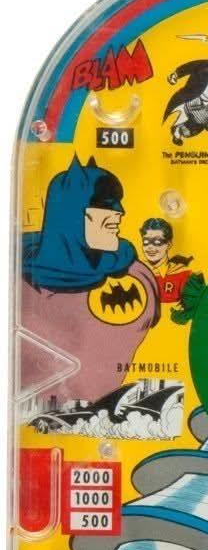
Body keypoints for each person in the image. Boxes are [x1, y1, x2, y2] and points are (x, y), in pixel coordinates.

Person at [20, 156, 159, 408]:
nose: (120, 212)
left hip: (105, 412)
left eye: (117, 203)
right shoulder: (20, 280)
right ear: (71, 212)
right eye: (106, 205)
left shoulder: (135, 276)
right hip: (40, 414)